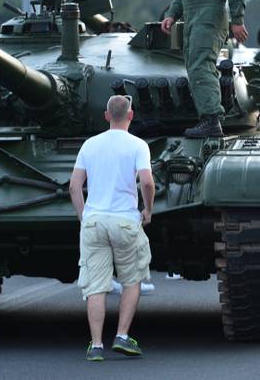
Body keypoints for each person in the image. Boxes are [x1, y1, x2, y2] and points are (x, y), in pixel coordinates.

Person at [69, 95, 155, 361]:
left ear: (106, 116)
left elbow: (74, 186)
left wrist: (84, 216)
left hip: (94, 221)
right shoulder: (138, 145)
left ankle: (95, 346)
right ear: (131, 115)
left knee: (95, 286)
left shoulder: (89, 144)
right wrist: (148, 210)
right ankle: (121, 336)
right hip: (125, 221)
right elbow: (147, 183)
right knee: (132, 279)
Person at [160, 0, 248, 138]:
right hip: (192, 17)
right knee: (194, 66)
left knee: (201, 65)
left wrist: (237, 20)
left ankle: (211, 120)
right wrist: (171, 14)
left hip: (209, 17)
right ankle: (207, 118)